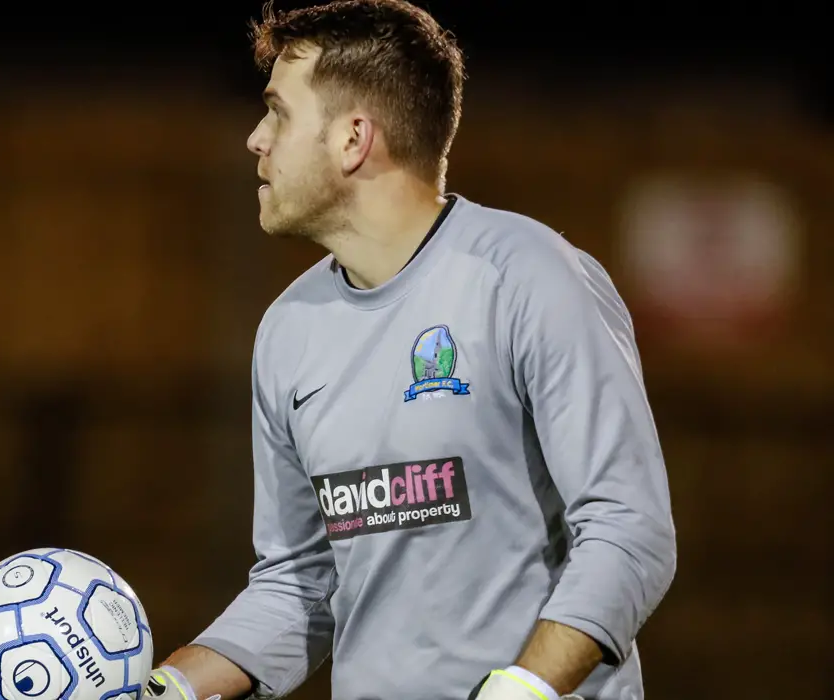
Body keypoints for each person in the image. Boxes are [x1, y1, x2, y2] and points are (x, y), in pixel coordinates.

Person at [146, 1, 677, 699]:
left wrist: (525, 688)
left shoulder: (528, 278)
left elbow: (628, 530)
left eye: (278, 112)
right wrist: (169, 689)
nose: (256, 139)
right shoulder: (289, 332)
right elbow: (300, 583)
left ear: (353, 138)